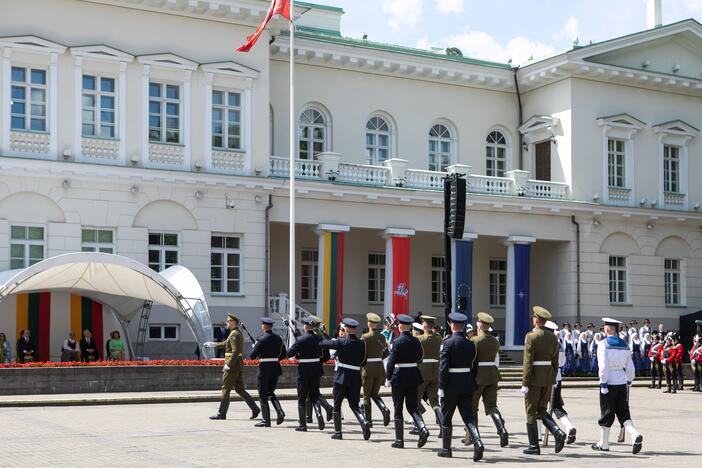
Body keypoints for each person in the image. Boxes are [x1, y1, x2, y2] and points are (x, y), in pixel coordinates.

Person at [592, 317, 643, 454]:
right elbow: (631, 368)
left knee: (607, 413)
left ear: (607, 329)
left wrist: (603, 382)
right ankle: (635, 434)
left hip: (609, 382)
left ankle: (605, 444)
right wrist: (629, 381)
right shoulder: (625, 344)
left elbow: (602, 366)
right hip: (621, 381)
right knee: (623, 412)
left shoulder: (603, 344)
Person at [437, 312, 483, 461]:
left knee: (446, 417)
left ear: (452, 325)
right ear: (463, 327)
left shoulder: (447, 343)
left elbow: (443, 367)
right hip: (467, 383)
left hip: (451, 385)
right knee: (468, 417)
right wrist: (470, 380)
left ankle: (446, 449)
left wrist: (441, 386)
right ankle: (478, 442)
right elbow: (475, 366)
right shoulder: (471, 344)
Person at [520, 306, 565, 455]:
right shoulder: (553, 337)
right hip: (547, 377)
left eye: (534, 317)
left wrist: (525, 382)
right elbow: (555, 361)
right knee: (542, 409)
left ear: (536, 320)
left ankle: (534, 446)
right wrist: (552, 377)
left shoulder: (531, 337)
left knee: (531, 411)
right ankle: (557, 432)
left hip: (534, 379)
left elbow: (528, 362)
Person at [320, 317, 371, 441]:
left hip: (341, 377)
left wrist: (320, 334)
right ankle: (364, 422)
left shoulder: (341, 341)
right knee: (354, 404)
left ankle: (338, 432)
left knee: (337, 405)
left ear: (346, 329)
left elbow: (323, 344)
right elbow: (364, 362)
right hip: (355, 377)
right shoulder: (362, 343)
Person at [205, 314, 260, 421]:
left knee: (225, 389)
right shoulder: (235, 333)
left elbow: (235, 351)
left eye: (228, 321)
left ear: (233, 322)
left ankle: (221, 413)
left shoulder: (234, 334)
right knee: (240, 389)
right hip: (237, 365)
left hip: (232, 366)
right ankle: (255, 408)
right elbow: (226, 343)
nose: (227, 323)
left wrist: (228, 365)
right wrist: (214, 344)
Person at [386, 314, 429, 449]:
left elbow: (391, 362)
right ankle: (422, 428)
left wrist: (388, 378)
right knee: (412, 406)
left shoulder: (397, 342)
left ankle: (399, 440)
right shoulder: (416, 341)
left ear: (400, 326)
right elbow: (420, 358)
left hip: (399, 377)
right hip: (413, 376)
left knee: (398, 408)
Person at [470, 312, 508, 448]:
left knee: (473, 407)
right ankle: (502, 429)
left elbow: (471, 360)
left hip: (478, 376)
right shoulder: (495, 341)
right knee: (492, 406)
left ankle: (476, 438)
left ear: (479, 325)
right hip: (492, 375)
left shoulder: (474, 340)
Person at [286, 316, 330, 432]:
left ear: (306, 326)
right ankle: (319, 415)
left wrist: (298, 352)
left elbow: (289, 353)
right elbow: (327, 357)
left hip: (304, 370)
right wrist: (317, 361)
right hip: (316, 370)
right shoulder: (319, 338)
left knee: (302, 397)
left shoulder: (301, 340)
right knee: (314, 396)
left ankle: (302, 425)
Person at [249, 317, 286, 427]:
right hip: (275, 368)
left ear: (264, 326)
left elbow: (252, 356)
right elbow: (283, 354)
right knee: (270, 392)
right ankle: (280, 411)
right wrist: (274, 360)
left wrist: (255, 347)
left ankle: (266, 420)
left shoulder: (261, 339)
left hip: (264, 368)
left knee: (263, 394)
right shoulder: (278, 338)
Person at [544, 321, 577, 444]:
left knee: (539, 407)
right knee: (557, 406)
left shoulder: (545, 344)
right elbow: (562, 363)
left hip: (545, 377)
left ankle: (538, 436)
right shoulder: (560, 345)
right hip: (557, 378)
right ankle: (569, 427)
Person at [361, 312, 391, 427]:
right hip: (379, 367)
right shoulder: (382, 337)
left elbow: (362, 353)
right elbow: (386, 352)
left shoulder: (365, 337)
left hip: (368, 368)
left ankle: (368, 421)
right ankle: (384, 409)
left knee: (366, 396)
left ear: (369, 323)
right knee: (375, 394)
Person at [415, 315, 442, 437]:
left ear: (424, 326)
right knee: (435, 402)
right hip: (435, 372)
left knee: (415, 399)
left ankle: (419, 426)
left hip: (422, 372)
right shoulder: (438, 338)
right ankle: (443, 426)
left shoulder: (420, 339)